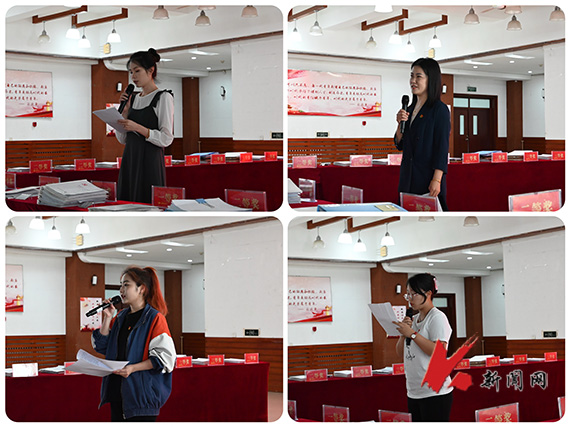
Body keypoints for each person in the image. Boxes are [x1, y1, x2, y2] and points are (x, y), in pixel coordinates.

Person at [92, 266, 176, 422]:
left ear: (141, 289)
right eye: (121, 285)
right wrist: (107, 318)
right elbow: (102, 346)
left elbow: (163, 359)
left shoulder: (155, 318)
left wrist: (132, 368)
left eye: (126, 285)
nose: (121, 290)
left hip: (141, 396)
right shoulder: (120, 317)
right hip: (118, 392)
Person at [116, 48, 174, 204]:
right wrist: (124, 113)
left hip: (150, 161)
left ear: (151, 70)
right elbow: (123, 139)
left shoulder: (163, 97)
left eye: (137, 71)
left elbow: (166, 139)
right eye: (131, 72)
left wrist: (137, 127)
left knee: (146, 202)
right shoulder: (133, 99)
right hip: (130, 159)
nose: (133, 77)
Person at [393, 273, 453, 422]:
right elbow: (400, 352)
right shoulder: (413, 320)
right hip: (414, 391)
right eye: (408, 294)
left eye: (414, 294)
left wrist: (412, 334)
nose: (410, 299)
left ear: (428, 294)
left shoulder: (437, 317)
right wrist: (403, 334)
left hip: (435, 392)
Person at [394, 57, 450, 211]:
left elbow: (442, 148)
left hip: (427, 177)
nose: (413, 81)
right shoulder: (410, 108)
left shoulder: (439, 110)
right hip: (408, 176)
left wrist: (437, 180)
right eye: (412, 76)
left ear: (431, 79)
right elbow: (400, 144)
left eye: (419, 76)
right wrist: (399, 124)